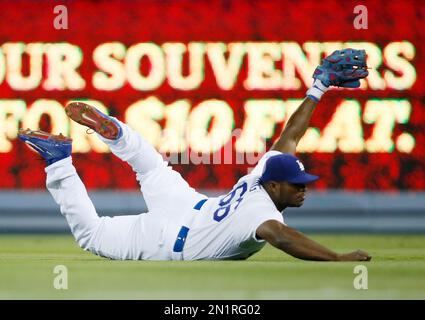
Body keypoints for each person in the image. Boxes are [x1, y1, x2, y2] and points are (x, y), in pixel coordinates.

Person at [18, 49, 371, 262]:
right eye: (296, 185)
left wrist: (319, 86)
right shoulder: (260, 212)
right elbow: (282, 237)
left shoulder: (261, 176)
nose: (303, 189)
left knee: (149, 163)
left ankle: (117, 131)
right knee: (92, 235)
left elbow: (291, 135)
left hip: (190, 204)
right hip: (170, 237)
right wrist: (337, 257)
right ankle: (59, 161)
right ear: (275, 184)